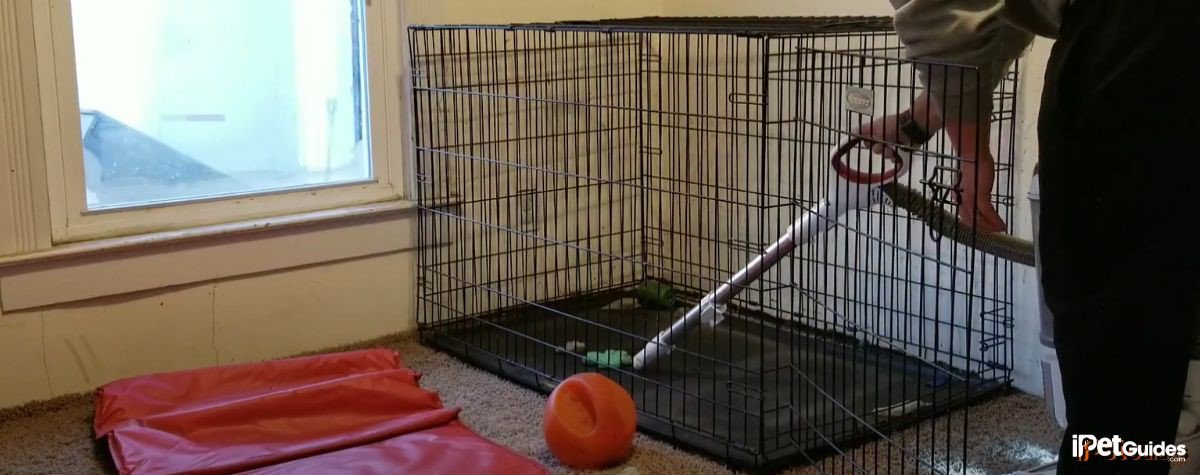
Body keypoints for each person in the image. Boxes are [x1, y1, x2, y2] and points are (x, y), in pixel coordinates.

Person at [859, 1, 1200, 473]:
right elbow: (992, 23)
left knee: (1116, 369)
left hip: (1143, 52)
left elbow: (944, 16)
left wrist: (972, 156)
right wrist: (914, 125)